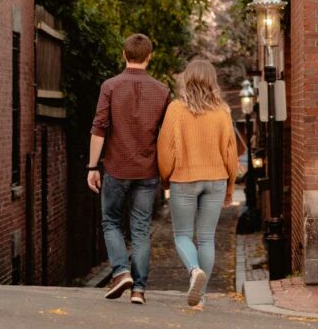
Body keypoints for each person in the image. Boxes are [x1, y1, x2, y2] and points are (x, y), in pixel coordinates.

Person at [88, 33, 170, 304]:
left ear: (124, 55)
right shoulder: (162, 91)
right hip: (147, 171)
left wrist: (92, 166)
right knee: (141, 228)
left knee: (111, 221)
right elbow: (167, 135)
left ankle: (121, 271)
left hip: (116, 167)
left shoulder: (110, 86)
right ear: (150, 56)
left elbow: (99, 127)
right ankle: (139, 290)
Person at [157, 58, 238, 309]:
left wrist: (165, 179)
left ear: (187, 79)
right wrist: (231, 186)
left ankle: (194, 272)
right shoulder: (223, 111)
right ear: (211, 81)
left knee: (182, 235)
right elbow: (231, 152)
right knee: (206, 238)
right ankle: (200, 297)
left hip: (184, 178)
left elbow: (165, 149)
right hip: (216, 180)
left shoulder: (175, 109)